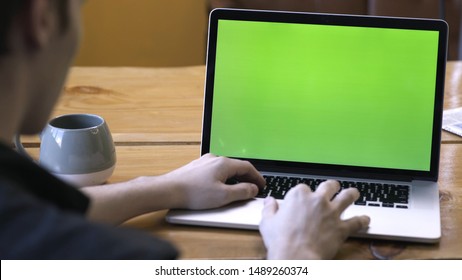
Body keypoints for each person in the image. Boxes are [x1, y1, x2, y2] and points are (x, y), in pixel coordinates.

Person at [0, 0, 370, 259]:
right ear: (43, 16)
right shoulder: (117, 258)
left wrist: (163, 186)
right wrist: (297, 251)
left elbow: (31, 215)